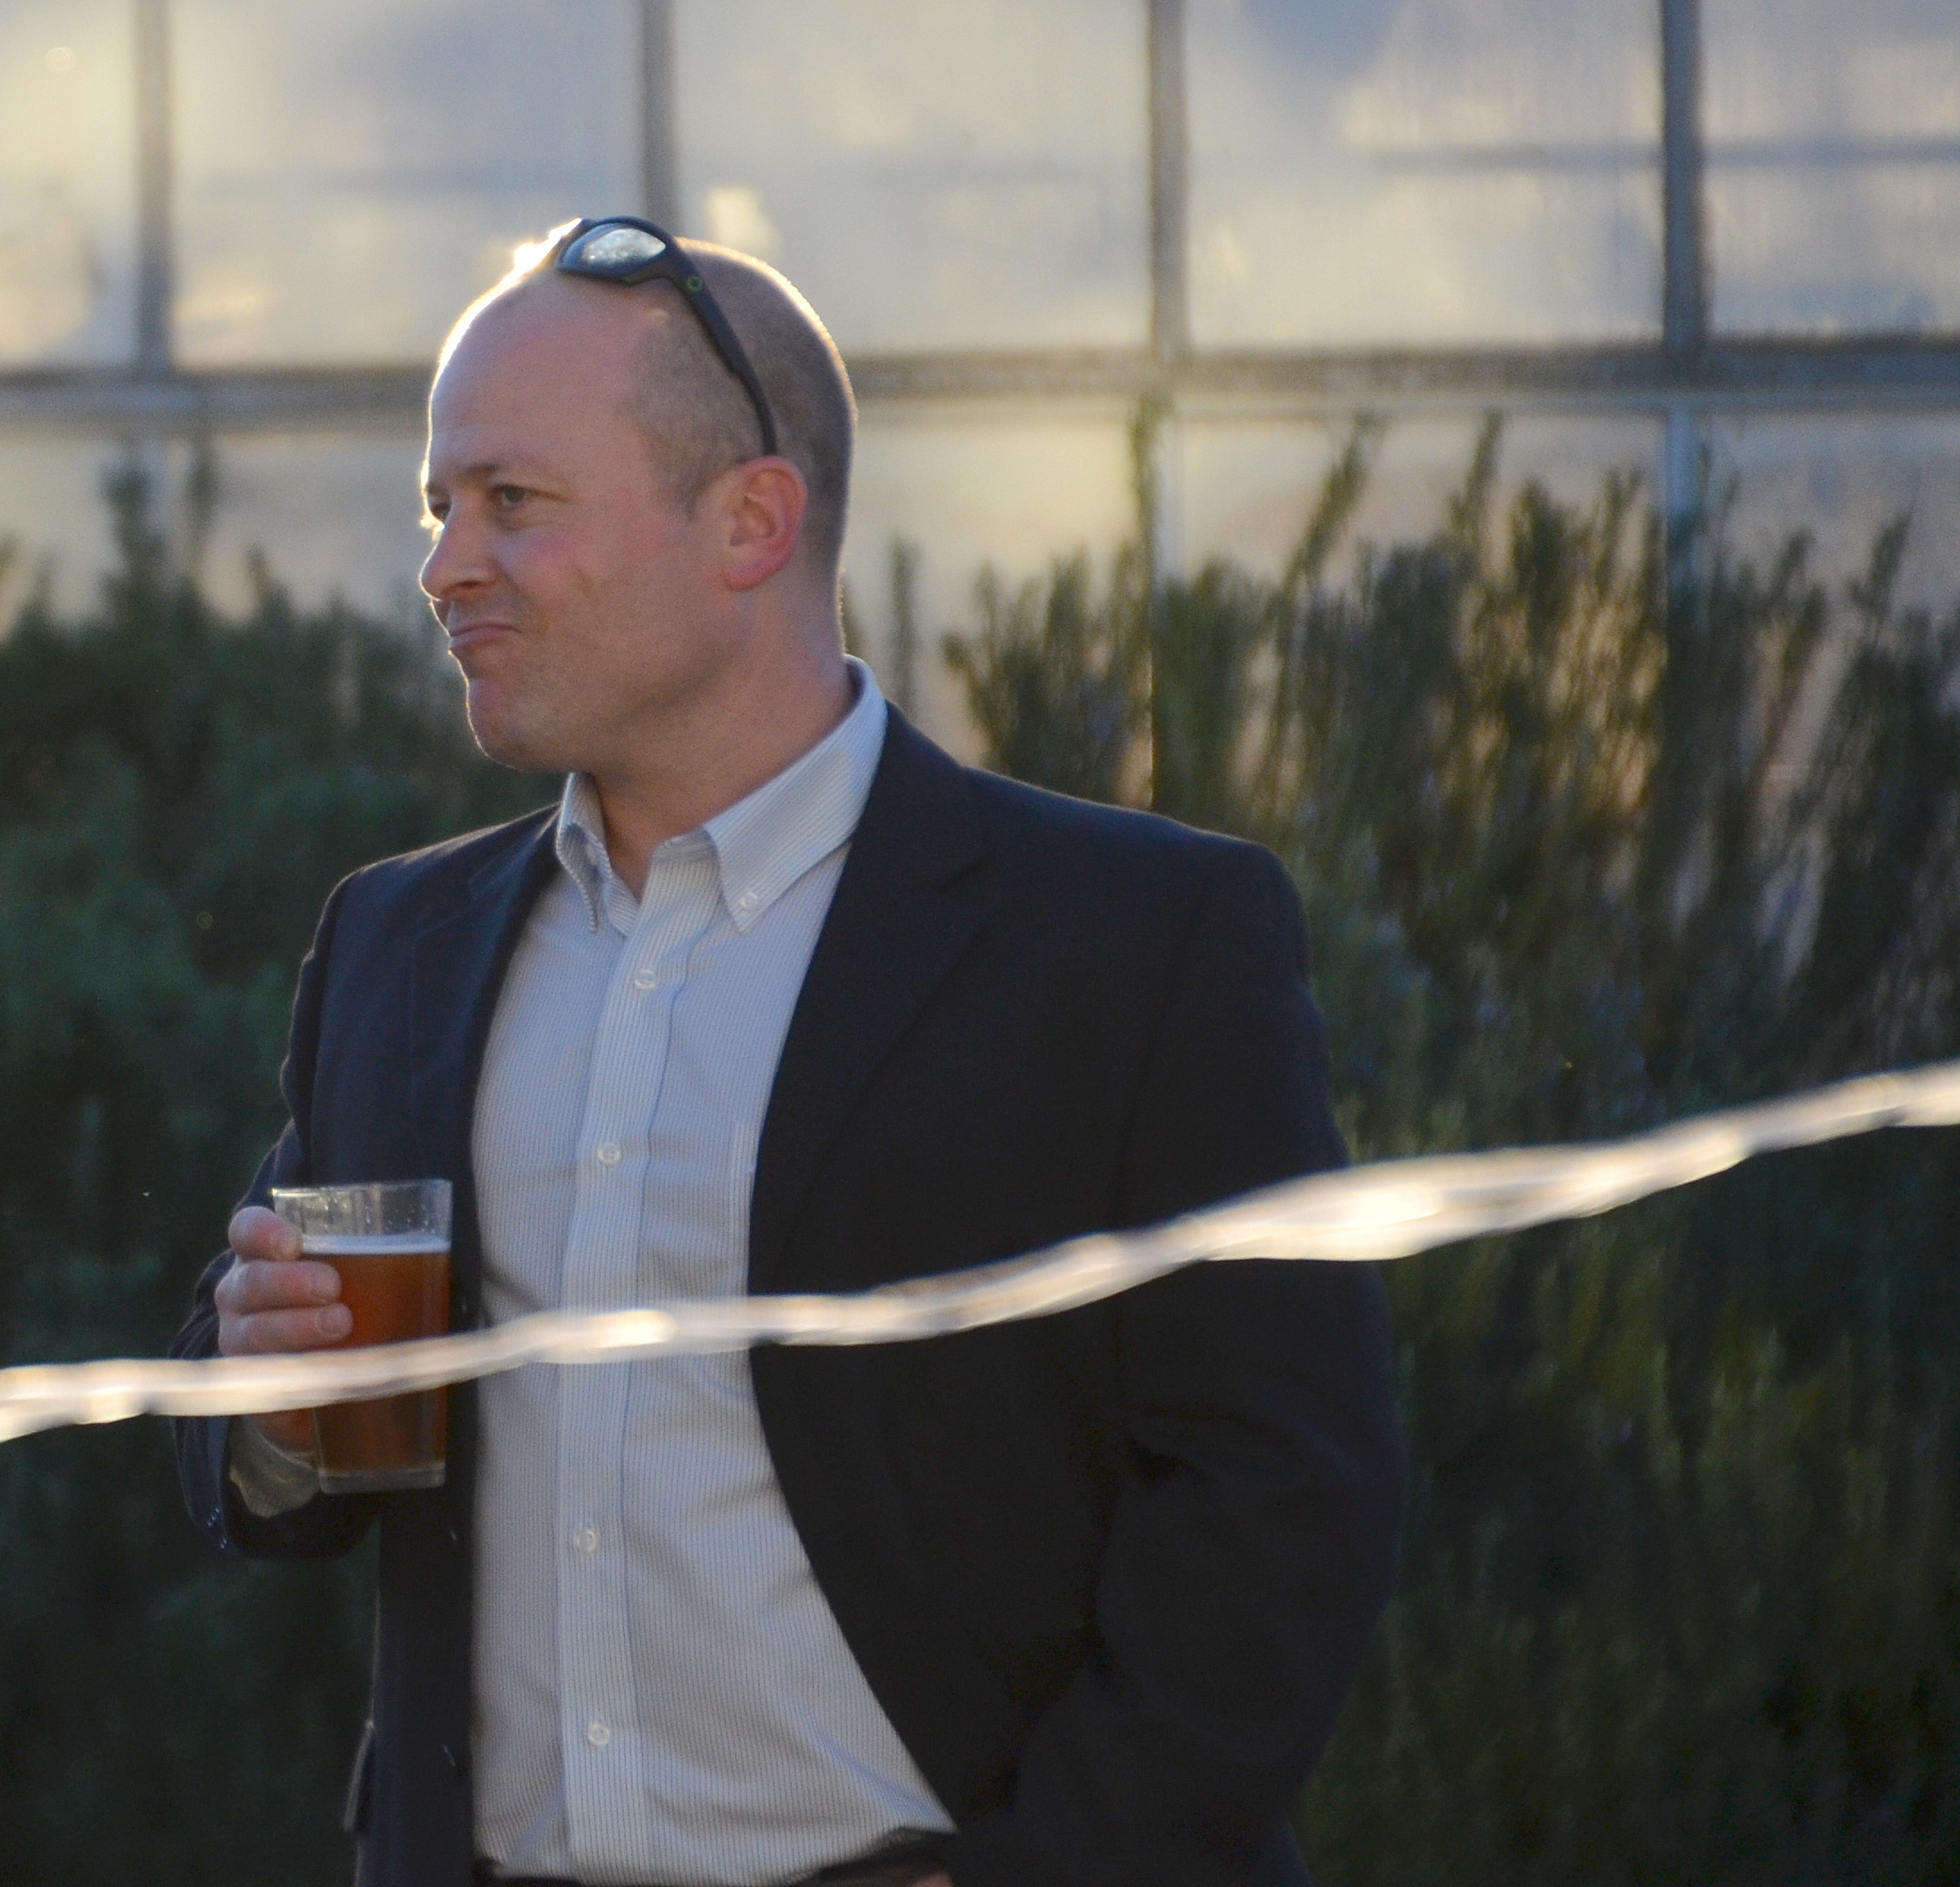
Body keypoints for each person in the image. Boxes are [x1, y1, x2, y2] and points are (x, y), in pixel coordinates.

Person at [176, 219, 1402, 1887]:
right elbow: (271, 1442)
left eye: (512, 500)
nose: (446, 565)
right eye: (436, 507)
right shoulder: (397, 941)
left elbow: (1283, 1491)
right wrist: (268, 1399)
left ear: (752, 521)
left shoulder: (1134, 940)